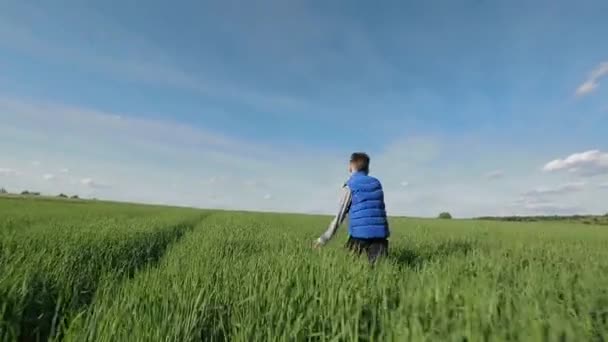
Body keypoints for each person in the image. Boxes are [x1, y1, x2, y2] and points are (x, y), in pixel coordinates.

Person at [314, 152, 390, 263]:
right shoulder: (376, 183)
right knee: (378, 272)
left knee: (346, 266)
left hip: (359, 236)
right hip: (380, 237)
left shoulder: (350, 185)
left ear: (350, 165)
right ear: (367, 168)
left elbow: (339, 216)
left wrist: (324, 239)